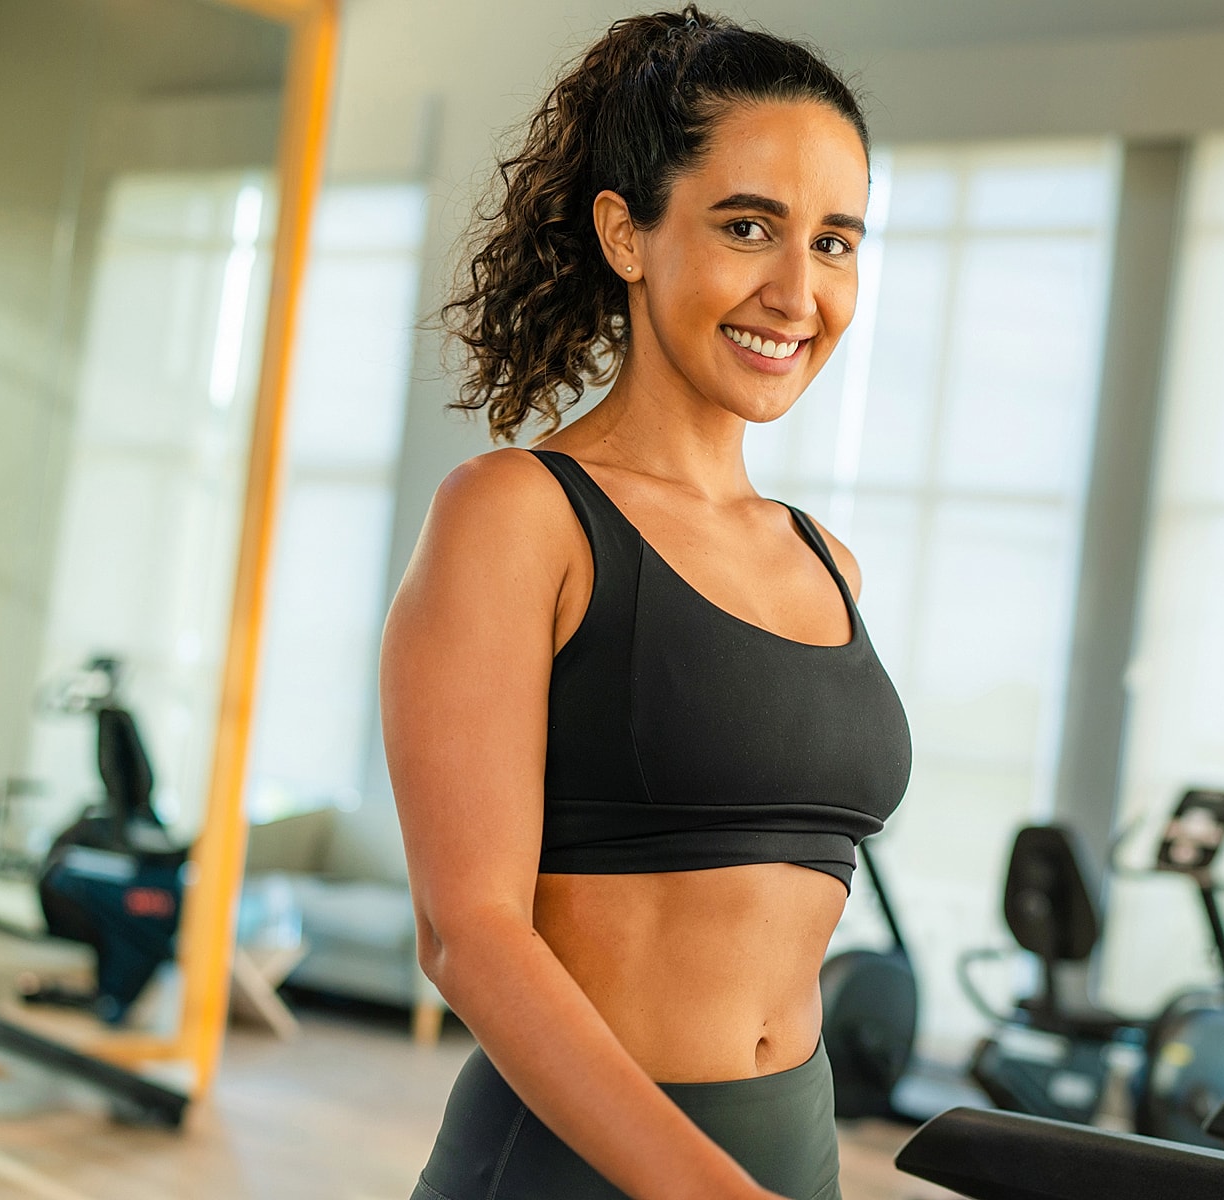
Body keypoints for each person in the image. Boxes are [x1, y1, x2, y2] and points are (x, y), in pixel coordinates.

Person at [381, 8, 910, 1198]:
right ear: (626, 232)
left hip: (792, 1151)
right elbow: (469, 933)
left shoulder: (827, 560)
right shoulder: (516, 515)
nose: (794, 289)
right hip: (576, 1169)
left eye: (834, 243)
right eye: (746, 227)